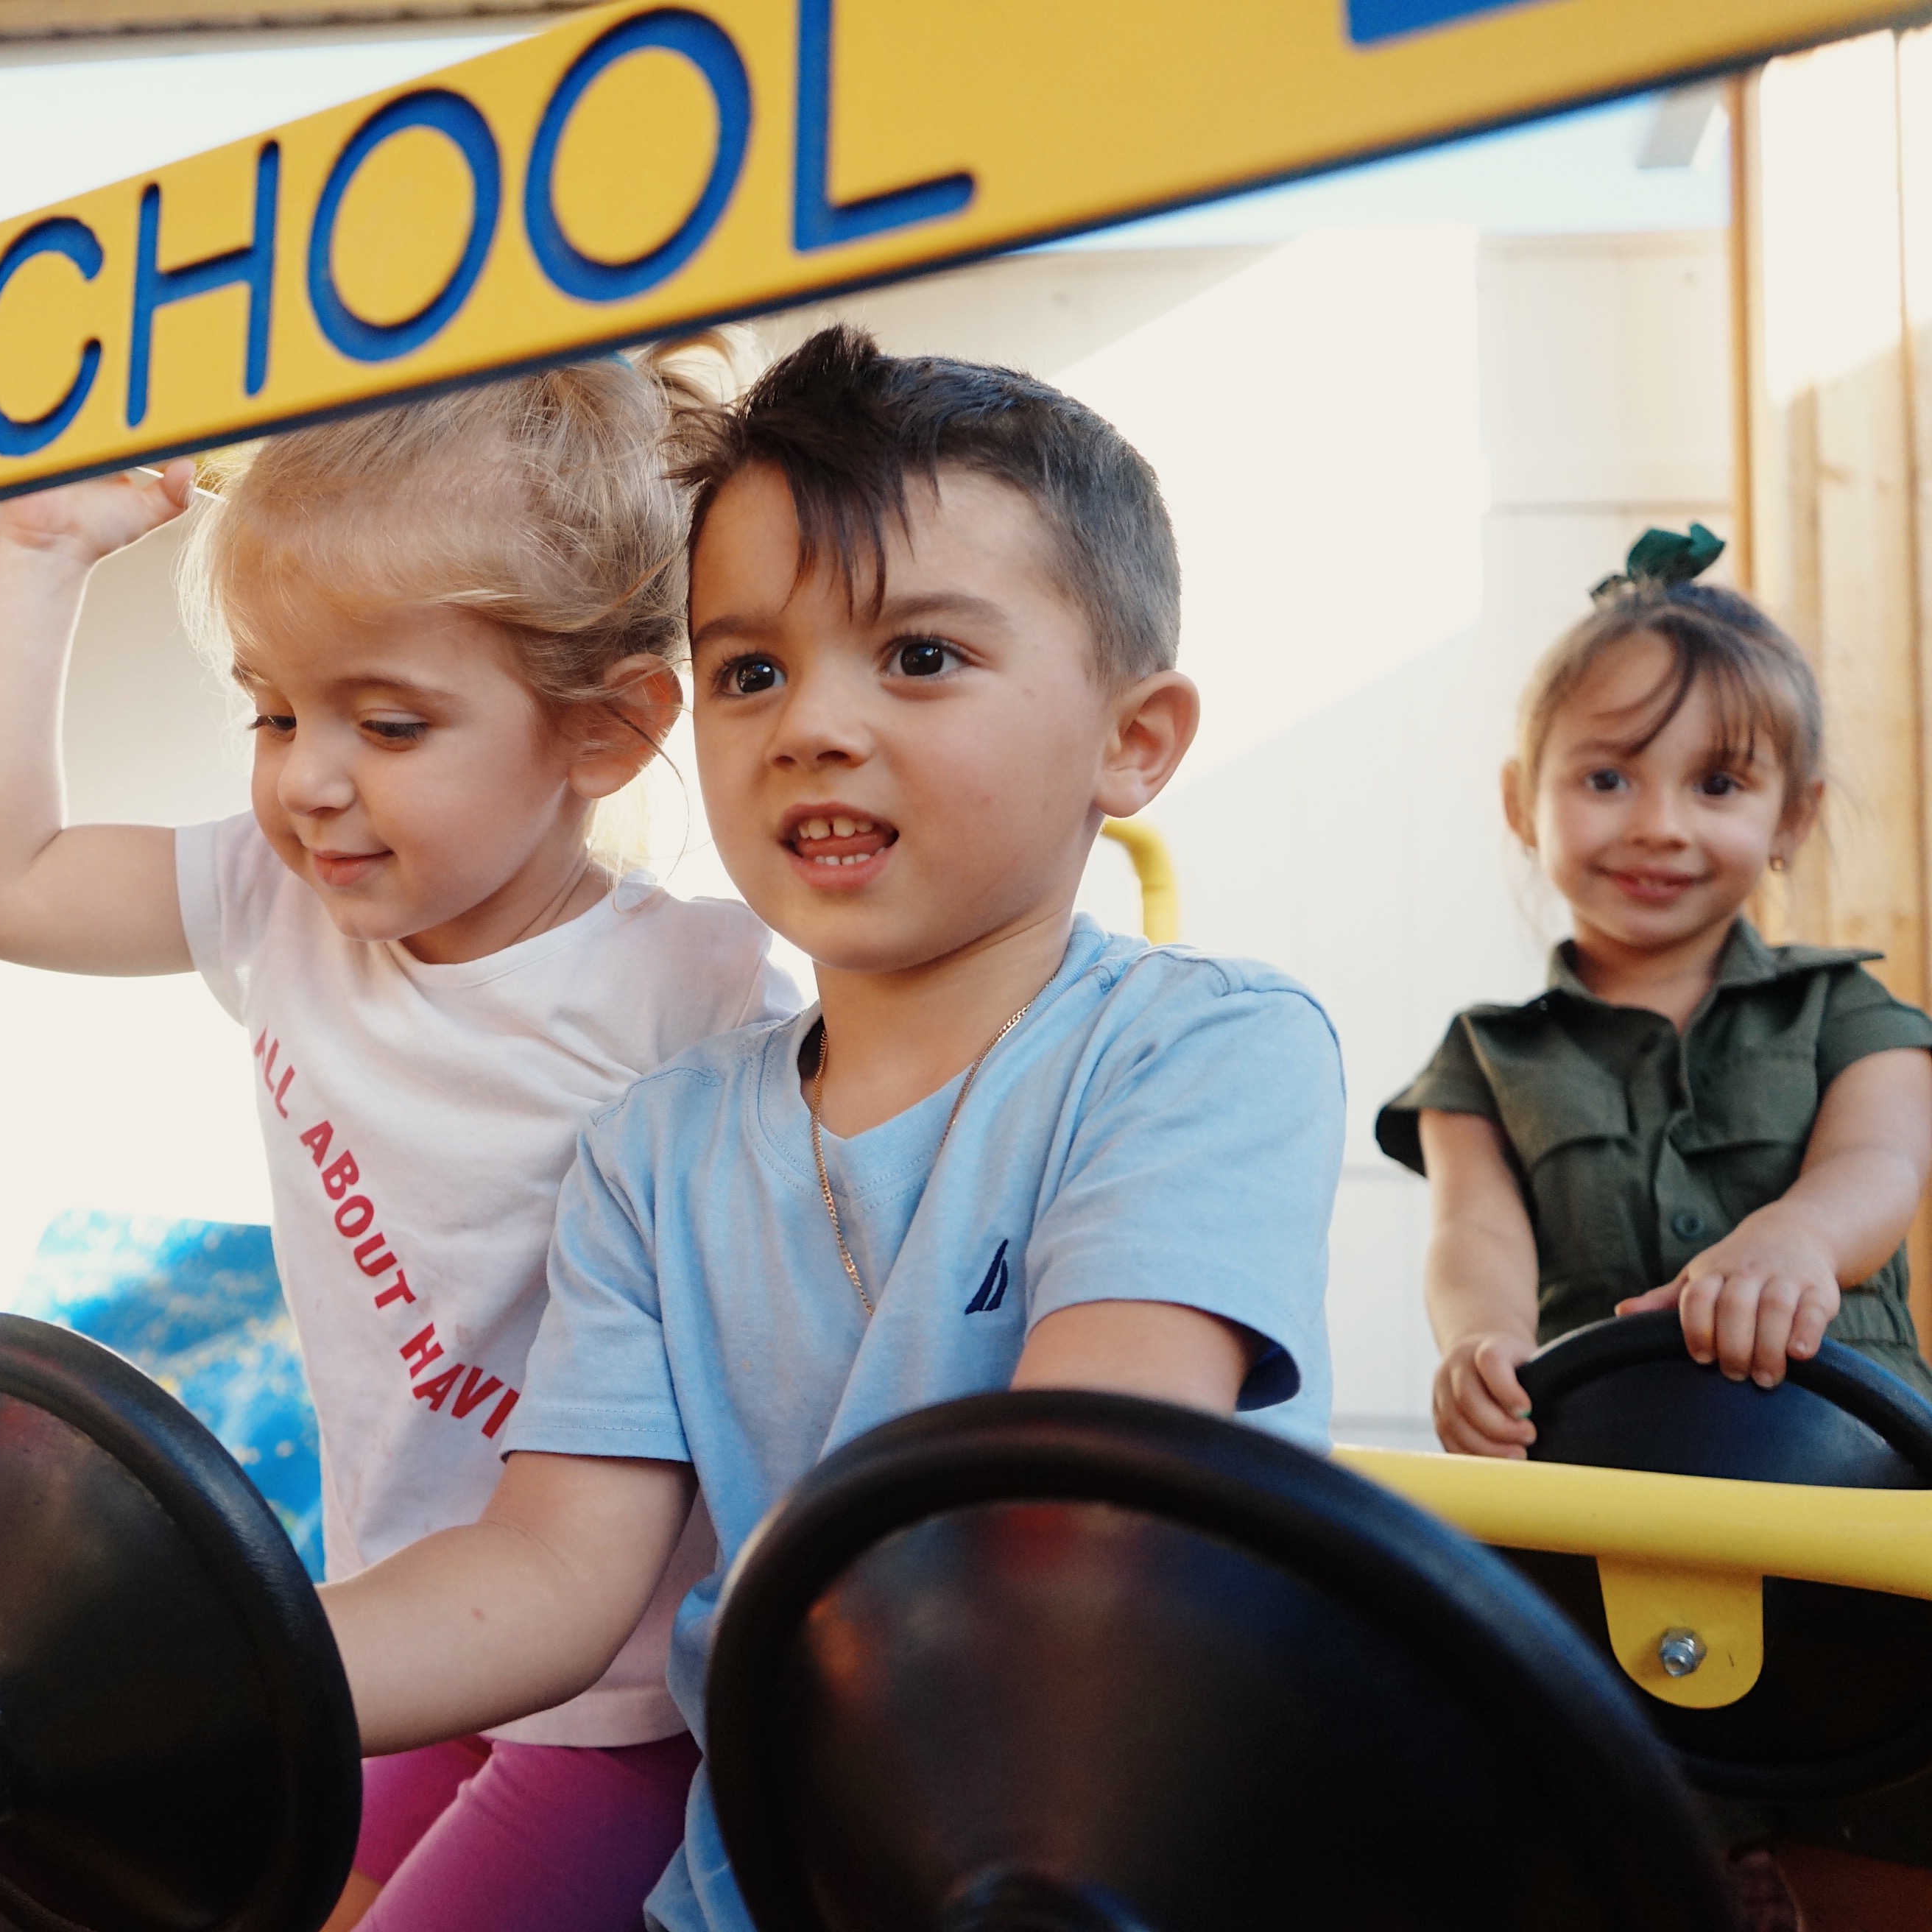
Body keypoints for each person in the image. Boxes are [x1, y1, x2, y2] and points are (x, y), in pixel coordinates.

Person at [317, 325, 1344, 1932]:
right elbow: (546, 1581)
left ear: (1130, 741)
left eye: (920, 656)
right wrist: (221, 1667)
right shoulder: (650, 1154)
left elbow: (1073, 1505)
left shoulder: (1201, 1052)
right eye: (750, 671)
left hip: (1102, 1881)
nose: (809, 724)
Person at [0, 350, 795, 1932]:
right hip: (400, 1613)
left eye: (388, 722)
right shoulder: (281, 906)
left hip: (615, 1692)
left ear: (602, 732)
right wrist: (37, 555)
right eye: (272, 710)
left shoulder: (690, 987)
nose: (310, 776)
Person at [1378, 525, 1932, 1463]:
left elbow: (1881, 1161)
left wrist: (1796, 1237)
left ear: (1791, 815)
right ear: (1523, 802)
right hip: (1598, 1473)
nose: (1659, 825)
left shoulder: (1853, 1011)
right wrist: (1481, 1336)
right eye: (1607, 778)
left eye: (1717, 783)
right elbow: (1471, 1231)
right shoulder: (1482, 1060)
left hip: (1858, 1471)